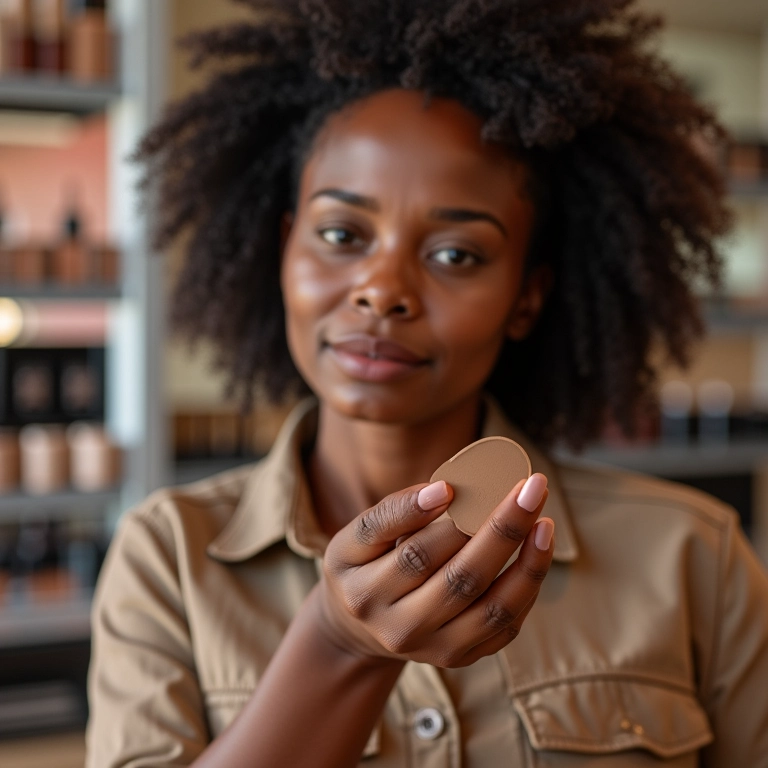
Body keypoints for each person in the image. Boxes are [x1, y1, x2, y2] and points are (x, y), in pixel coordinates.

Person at [85, 1, 768, 766]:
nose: (384, 290)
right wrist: (337, 645)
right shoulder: (167, 556)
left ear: (527, 297)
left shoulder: (692, 556)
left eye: (456, 255)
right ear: (284, 251)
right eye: (342, 235)